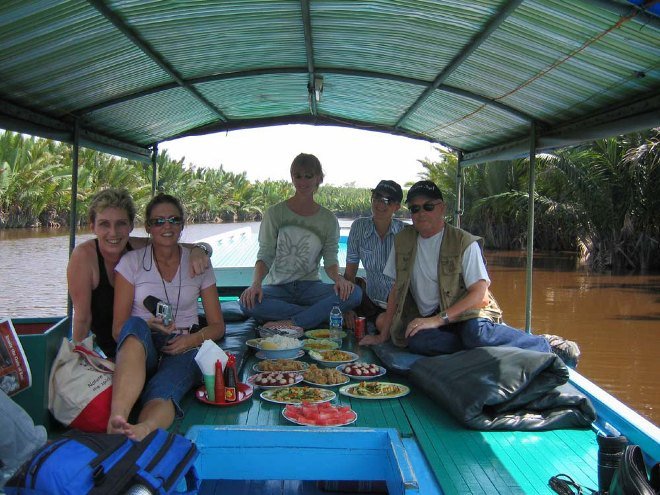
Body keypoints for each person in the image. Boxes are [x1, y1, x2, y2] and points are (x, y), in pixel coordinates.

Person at [359, 180, 580, 368]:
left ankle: (544, 345)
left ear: (442, 208)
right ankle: (479, 351)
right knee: (416, 341)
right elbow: (396, 290)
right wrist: (382, 335)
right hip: (431, 317)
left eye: (428, 206)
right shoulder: (403, 241)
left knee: (476, 334)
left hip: (467, 313)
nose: (421, 213)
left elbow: (480, 295)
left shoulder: (463, 242)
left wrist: (439, 319)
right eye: (415, 209)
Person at [108, 193, 225, 440]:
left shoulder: (199, 264)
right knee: (133, 325)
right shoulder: (132, 263)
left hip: (184, 344)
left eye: (173, 220)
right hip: (144, 341)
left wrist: (190, 341)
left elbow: (217, 326)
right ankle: (116, 419)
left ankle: (144, 428)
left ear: (182, 225)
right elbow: (118, 329)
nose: (167, 226)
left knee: (166, 388)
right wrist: (146, 324)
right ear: (149, 227)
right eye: (159, 221)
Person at [67, 188, 212, 358]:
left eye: (121, 223)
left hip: (142, 345)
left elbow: (177, 244)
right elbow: (82, 320)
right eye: (104, 224)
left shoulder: (135, 247)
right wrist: (79, 362)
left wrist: (200, 249)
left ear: (130, 226)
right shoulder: (84, 257)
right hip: (109, 351)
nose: (113, 232)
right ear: (93, 227)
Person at [239, 153, 362, 330]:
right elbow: (265, 254)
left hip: (311, 288)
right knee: (246, 302)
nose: (302, 182)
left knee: (355, 293)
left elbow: (330, 260)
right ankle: (318, 316)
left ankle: (294, 322)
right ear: (292, 177)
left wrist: (339, 279)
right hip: (278, 288)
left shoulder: (328, 219)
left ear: (319, 178)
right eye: (297, 176)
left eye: (308, 176)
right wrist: (256, 284)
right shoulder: (275, 213)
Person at [343, 180, 406, 330]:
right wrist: (346, 308)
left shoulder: (406, 233)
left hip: (398, 305)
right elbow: (349, 274)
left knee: (385, 325)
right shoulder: (358, 227)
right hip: (369, 302)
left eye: (387, 201)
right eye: (377, 197)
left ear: (397, 206)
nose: (380, 204)